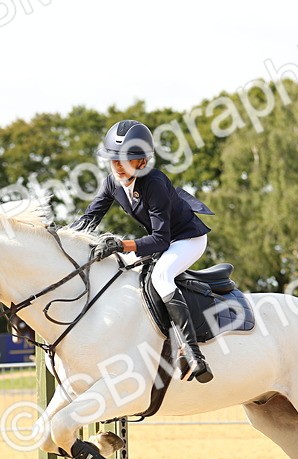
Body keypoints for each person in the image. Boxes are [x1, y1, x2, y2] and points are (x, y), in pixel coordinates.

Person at [71, 120, 216, 383]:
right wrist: (61, 238)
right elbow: (89, 219)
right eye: (113, 159)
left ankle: (193, 352)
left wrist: (121, 244)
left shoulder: (155, 183)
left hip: (187, 239)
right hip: (161, 240)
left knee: (161, 277)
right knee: (117, 269)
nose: (117, 165)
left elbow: (161, 240)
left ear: (142, 161)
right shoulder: (112, 183)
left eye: (125, 159)